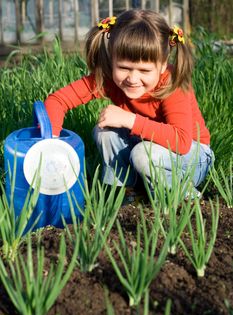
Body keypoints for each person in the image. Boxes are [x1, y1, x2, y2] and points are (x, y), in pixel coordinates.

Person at [44, 9, 214, 199]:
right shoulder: (109, 79)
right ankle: (126, 193)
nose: (133, 78)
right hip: (150, 151)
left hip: (192, 157)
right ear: (112, 59)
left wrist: (130, 120)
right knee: (105, 131)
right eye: (124, 67)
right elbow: (58, 100)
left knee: (143, 154)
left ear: (163, 64)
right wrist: (51, 141)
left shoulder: (172, 84)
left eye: (144, 70)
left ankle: (184, 198)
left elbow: (182, 141)